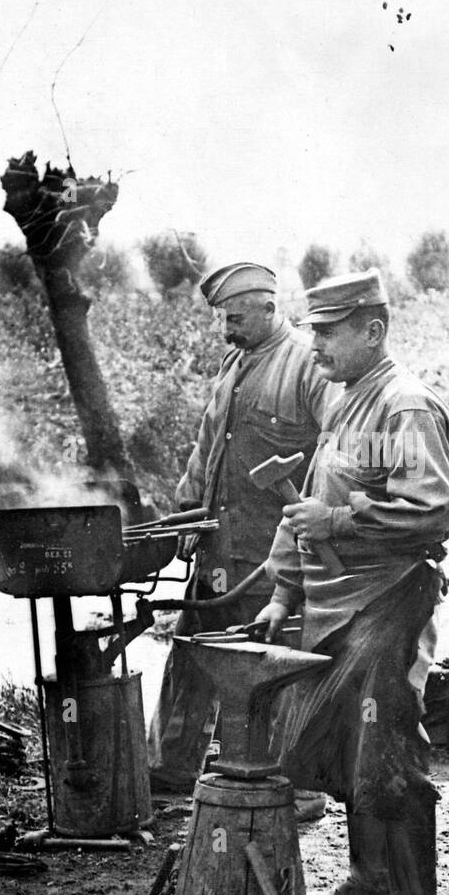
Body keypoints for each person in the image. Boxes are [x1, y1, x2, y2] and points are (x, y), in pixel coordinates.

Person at [254, 268, 449, 895]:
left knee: (387, 753)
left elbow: (434, 509)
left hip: (389, 600)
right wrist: (284, 591)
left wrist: (340, 521)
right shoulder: (345, 403)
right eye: (311, 330)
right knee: (350, 742)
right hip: (336, 603)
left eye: (327, 332)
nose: (314, 345)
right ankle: (371, 884)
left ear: (372, 331)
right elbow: (308, 505)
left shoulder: (405, 406)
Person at [147, 261, 333, 793]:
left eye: (236, 319)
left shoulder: (307, 364)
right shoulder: (235, 362)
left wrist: (315, 527)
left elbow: (334, 452)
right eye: (222, 320)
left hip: (270, 554)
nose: (226, 331)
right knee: (192, 650)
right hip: (217, 544)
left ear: (270, 307)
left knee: (269, 663)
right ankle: (169, 770)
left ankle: (285, 787)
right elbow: (207, 446)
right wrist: (187, 510)